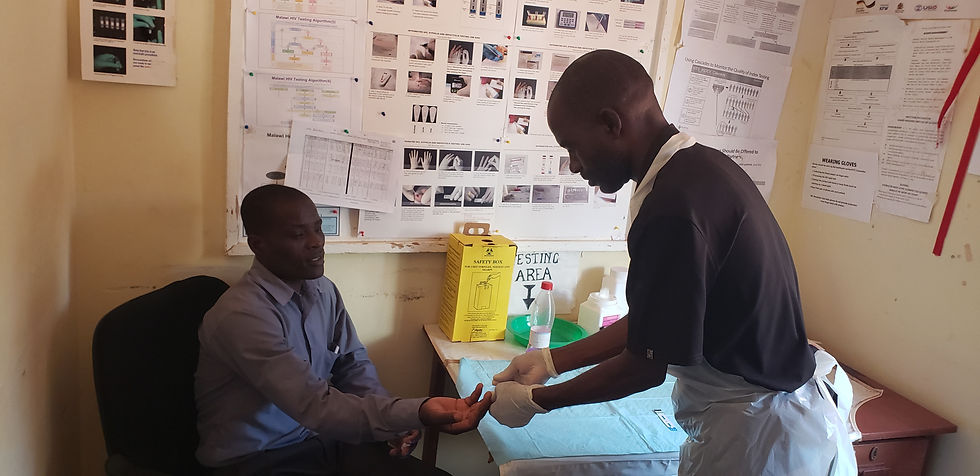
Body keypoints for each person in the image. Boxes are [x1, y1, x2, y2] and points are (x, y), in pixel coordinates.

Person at [489, 50, 858, 475]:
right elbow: (659, 325)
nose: (574, 165)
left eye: (573, 147)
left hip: (758, 436)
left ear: (612, 124)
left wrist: (538, 402)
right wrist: (553, 362)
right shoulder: (696, 167)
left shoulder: (673, 210)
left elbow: (644, 368)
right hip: (768, 413)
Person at [195, 184, 491, 475]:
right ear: (258, 244)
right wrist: (415, 411)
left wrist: (390, 425)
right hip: (260, 458)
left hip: (322, 439)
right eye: (299, 235)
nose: (316, 242)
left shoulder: (323, 290)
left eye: (318, 228)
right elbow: (314, 405)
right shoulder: (242, 316)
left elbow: (352, 365)